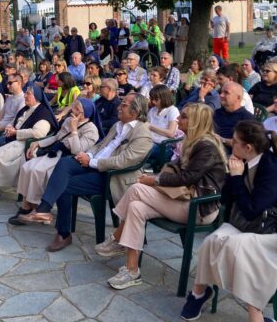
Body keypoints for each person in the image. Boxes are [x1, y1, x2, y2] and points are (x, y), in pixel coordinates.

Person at [181, 120, 277, 322]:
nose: (230, 144)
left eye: (234, 142)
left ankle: (256, 317)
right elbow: (226, 199)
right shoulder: (246, 161)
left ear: (248, 147)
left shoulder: (271, 169)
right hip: (258, 227)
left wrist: (236, 177)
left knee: (239, 247)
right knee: (213, 239)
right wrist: (231, 174)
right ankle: (199, 293)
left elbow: (251, 210)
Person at [96, 103, 226, 290]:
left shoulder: (207, 146)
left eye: (183, 116)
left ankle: (118, 237)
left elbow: (188, 177)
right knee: (136, 207)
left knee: (137, 189)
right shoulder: (193, 141)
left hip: (198, 208)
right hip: (183, 199)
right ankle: (132, 271)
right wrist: (156, 178)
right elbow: (176, 167)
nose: (178, 119)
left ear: (195, 121)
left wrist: (155, 181)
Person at [18, 94, 153, 252]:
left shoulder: (143, 134)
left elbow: (123, 161)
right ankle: (44, 209)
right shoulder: (118, 125)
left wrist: (92, 162)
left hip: (113, 177)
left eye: (123, 105)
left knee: (64, 185)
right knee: (65, 163)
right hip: (96, 166)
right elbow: (101, 145)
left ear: (135, 111)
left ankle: (62, 233)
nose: (118, 107)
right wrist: (88, 155)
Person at [11, 98, 102, 224]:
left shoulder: (91, 130)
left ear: (85, 113)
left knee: (37, 171)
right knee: (27, 167)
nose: (73, 110)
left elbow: (77, 150)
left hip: (67, 158)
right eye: (73, 107)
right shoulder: (69, 120)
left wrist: (74, 130)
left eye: (77, 109)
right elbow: (57, 137)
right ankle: (29, 205)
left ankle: (32, 208)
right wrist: (39, 143)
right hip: (55, 152)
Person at [0, 86, 57, 203]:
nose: (25, 96)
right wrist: (9, 127)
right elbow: (15, 121)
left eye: (28, 94)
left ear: (37, 97)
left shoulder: (43, 114)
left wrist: (16, 132)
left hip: (25, 143)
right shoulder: (26, 108)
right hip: (13, 138)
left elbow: (39, 133)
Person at [147, 85, 180, 165]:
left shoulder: (173, 110)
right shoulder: (153, 110)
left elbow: (171, 133)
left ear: (164, 98)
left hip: (164, 146)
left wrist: (151, 127)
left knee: (139, 148)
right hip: (150, 141)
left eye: (156, 99)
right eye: (152, 99)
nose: (153, 102)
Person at [214, 82, 254, 149]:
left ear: (238, 97)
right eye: (221, 92)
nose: (221, 95)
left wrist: (222, 140)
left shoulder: (247, 119)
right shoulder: (217, 113)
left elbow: (245, 145)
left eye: (226, 93)